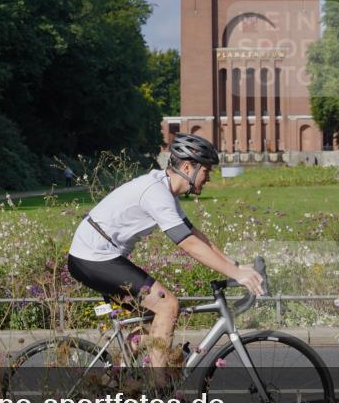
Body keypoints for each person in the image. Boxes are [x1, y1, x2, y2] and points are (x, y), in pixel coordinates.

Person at [66, 133, 264, 382]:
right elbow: (188, 244)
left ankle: (111, 380)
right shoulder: (156, 193)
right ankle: (158, 390)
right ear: (188, 167)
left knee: (153, 323)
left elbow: (195, 234)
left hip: (99, 256)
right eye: (206, 171)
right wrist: (235, 274)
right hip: (92, 257)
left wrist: (235, 266)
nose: (209, 178)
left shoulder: (165, 191)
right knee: (168, 305)